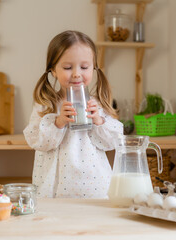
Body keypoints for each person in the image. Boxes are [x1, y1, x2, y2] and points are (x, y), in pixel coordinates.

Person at [23, 30, 123, 198]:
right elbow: (36, 141)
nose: (77, 73)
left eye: (84, 67)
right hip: (53, 191)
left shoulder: (98, 105)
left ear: (93, 68)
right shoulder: (45, 105)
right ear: (53, 70)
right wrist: (58, 122)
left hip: (94, 189)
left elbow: (114, 142)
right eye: (68, 67)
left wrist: (98, 120)